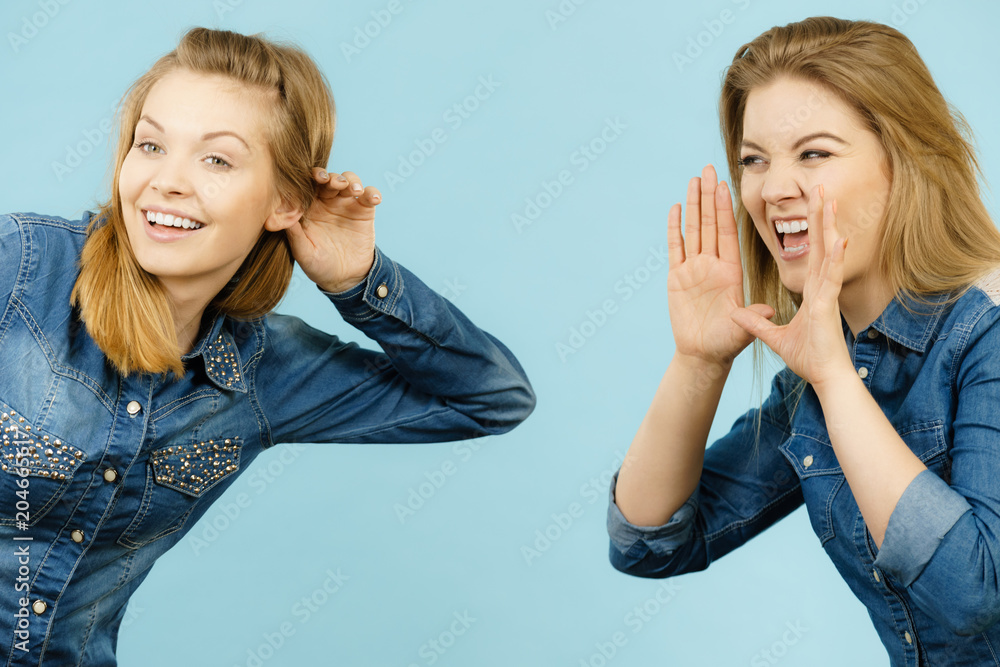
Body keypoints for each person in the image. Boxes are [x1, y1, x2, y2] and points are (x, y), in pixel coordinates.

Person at [0, 27, 534, 666]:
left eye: (217, 159)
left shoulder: (267, 371)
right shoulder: (21, 268)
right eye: (150, 144)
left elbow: (492, 399)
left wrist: (360, 281)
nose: (166, 182)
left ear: (285, 201)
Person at [607, 16, 1000, 665]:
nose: (772, 188)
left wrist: (836, 381)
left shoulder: (984, 329)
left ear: (904, 162)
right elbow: (649, 544)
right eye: (754, 159)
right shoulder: (831, 362)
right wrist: (698, 360)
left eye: (813, 152)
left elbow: (972, 599)